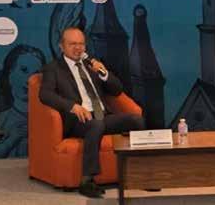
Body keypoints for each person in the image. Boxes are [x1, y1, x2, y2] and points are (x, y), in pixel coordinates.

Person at [39, 27, 145, 198]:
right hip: (78, 120)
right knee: (95, 125)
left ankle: (140, 175)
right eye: (72, 44)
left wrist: (104, 74)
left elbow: (117, 90)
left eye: (81, 44)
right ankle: (87, 181)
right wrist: (72, 106)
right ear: (61, 46)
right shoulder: (53, 68)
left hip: (103, 116)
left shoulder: (91, 65)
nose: (78, 48)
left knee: (136, 120)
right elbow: (45, 94)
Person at [0, 45, 46, 158]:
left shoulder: (48, 117)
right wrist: (12, 140)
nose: (29, 80)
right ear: (10, 74)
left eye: (35, 73)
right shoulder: (0, 119)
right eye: (24, 70)